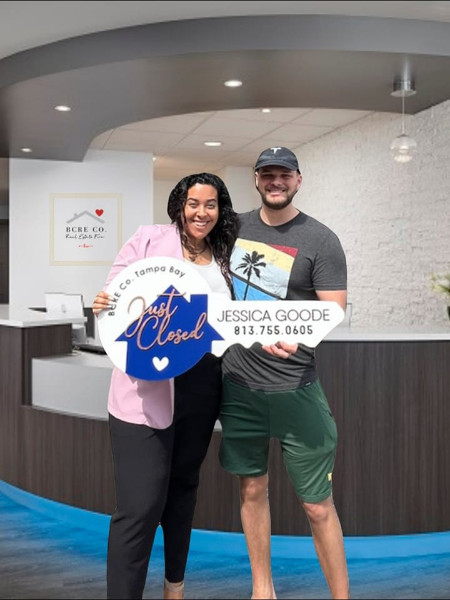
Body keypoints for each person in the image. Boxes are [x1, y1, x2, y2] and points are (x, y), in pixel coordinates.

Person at [93, 172, 238, 600]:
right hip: (146, 390)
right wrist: (104, 300)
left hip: (204, 386)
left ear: (219, 209)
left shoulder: (225, 255)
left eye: (210, 204)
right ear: (179, 204)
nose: (201, 212)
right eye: (193, 203)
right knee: (139, 508)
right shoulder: (150, 239)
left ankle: (174, 586)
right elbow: (115, 292)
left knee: (183, 491)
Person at [219, 147, 350, 599]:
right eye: (267, 174)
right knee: (252, 489)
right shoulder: (231, 227)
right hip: (239, 385)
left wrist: (300, 336)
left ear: (298, 180)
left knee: (318, 507)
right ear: (256, 179)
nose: (276, 181)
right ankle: (262, 590)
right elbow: (191, 266)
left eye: (284, 174)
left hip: (297, 387)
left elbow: (333, 310)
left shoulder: (320, 239)